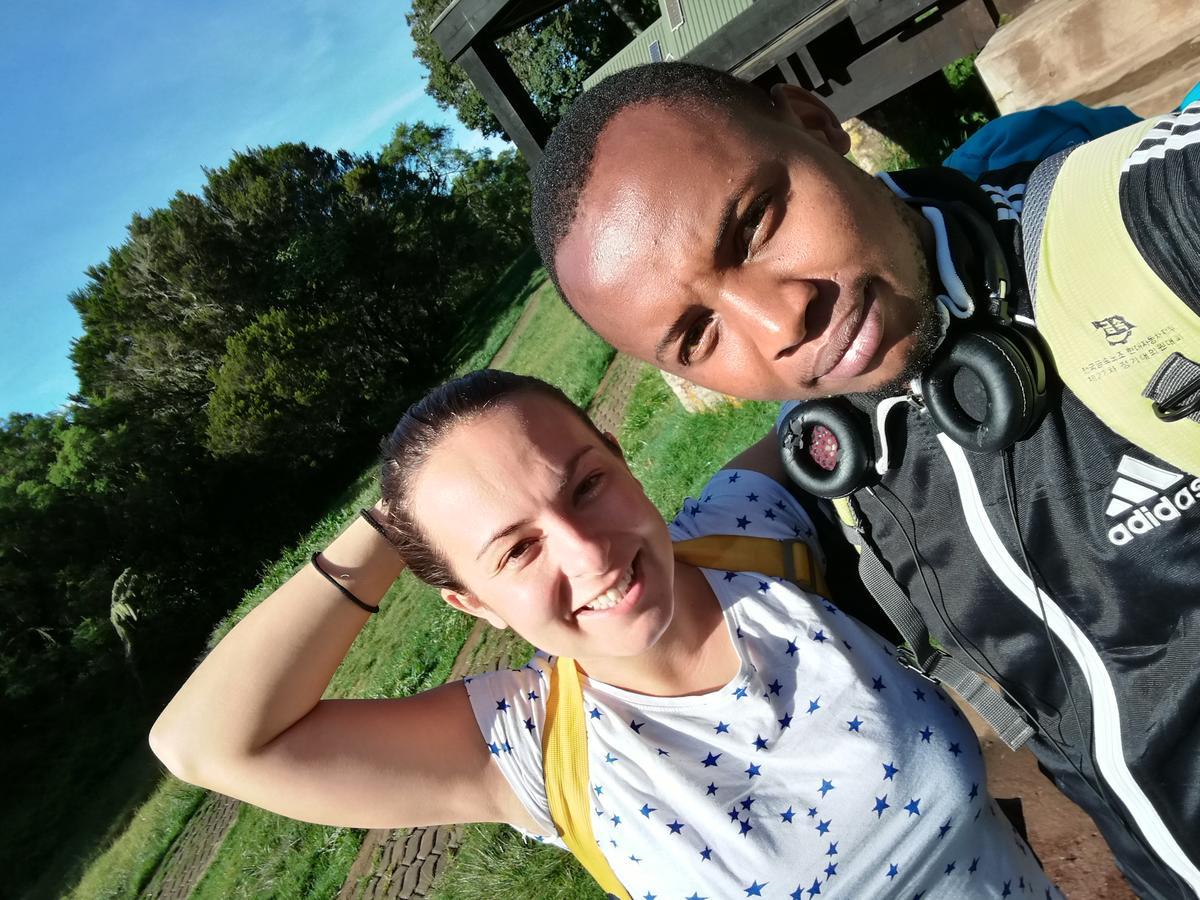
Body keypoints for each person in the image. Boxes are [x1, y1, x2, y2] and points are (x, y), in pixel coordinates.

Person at [529, 62, 1200, 898]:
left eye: (754, 226)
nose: (781, 324)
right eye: (698, 335)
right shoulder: (849, 463)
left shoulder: (1149, 220)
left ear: (814, 122)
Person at [150, 369, 1060, 899]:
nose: (590, 554)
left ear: (622, 462)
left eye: (586, 484)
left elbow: (866, 388)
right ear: (469, 602)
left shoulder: (754, 533)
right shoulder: (536, 752)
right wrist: (392, 525)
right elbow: (202, 745)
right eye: (512, 549)